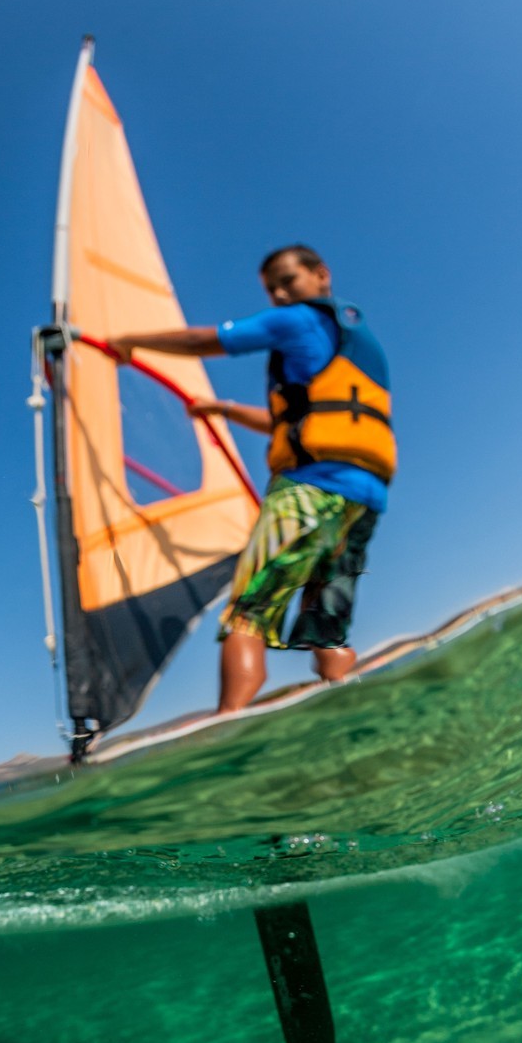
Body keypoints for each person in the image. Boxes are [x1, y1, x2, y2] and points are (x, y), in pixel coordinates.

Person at [107, 245, 397, 712]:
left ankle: (228, 726)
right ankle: (345, 704)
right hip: (363, 499)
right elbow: (301, 418)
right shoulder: (359, 343)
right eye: (272, 288)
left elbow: (206, 340)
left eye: (288, 280)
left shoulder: (296, 321)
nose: (281, 294)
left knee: (249, 615)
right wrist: (224, 410)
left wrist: (132, 342)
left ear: (321, 274)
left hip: (309, 488)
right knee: (326, 625)